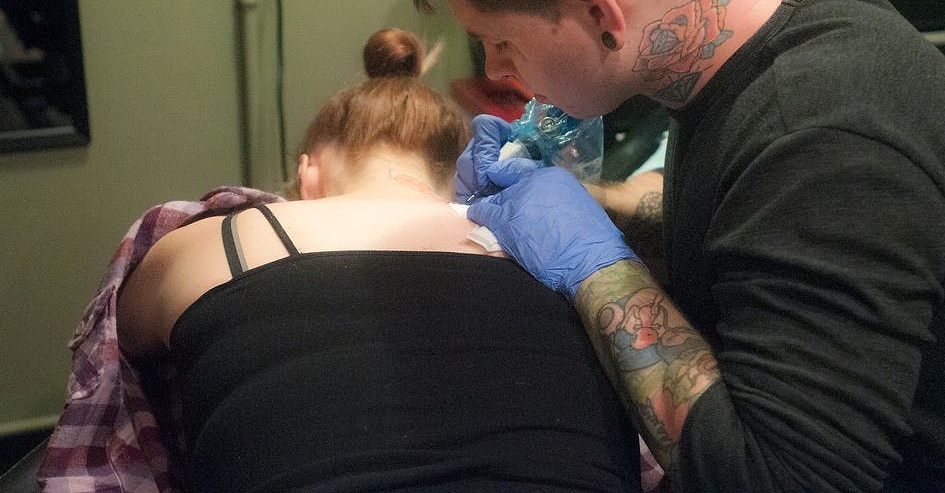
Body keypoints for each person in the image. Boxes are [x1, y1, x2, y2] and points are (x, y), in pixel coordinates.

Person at [390, 0, 945, 491]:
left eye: (497, 41)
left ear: (596, 10)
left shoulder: (826, 133)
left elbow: (771, 480)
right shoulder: (760, 40)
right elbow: (748, 220)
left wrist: (597, 267)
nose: (497, 69)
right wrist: (592, 206)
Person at [107, 28, 641, 492]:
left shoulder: (217, 241)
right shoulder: (549, 247)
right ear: (461, 174)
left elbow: (119, 350)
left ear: (308, 174)